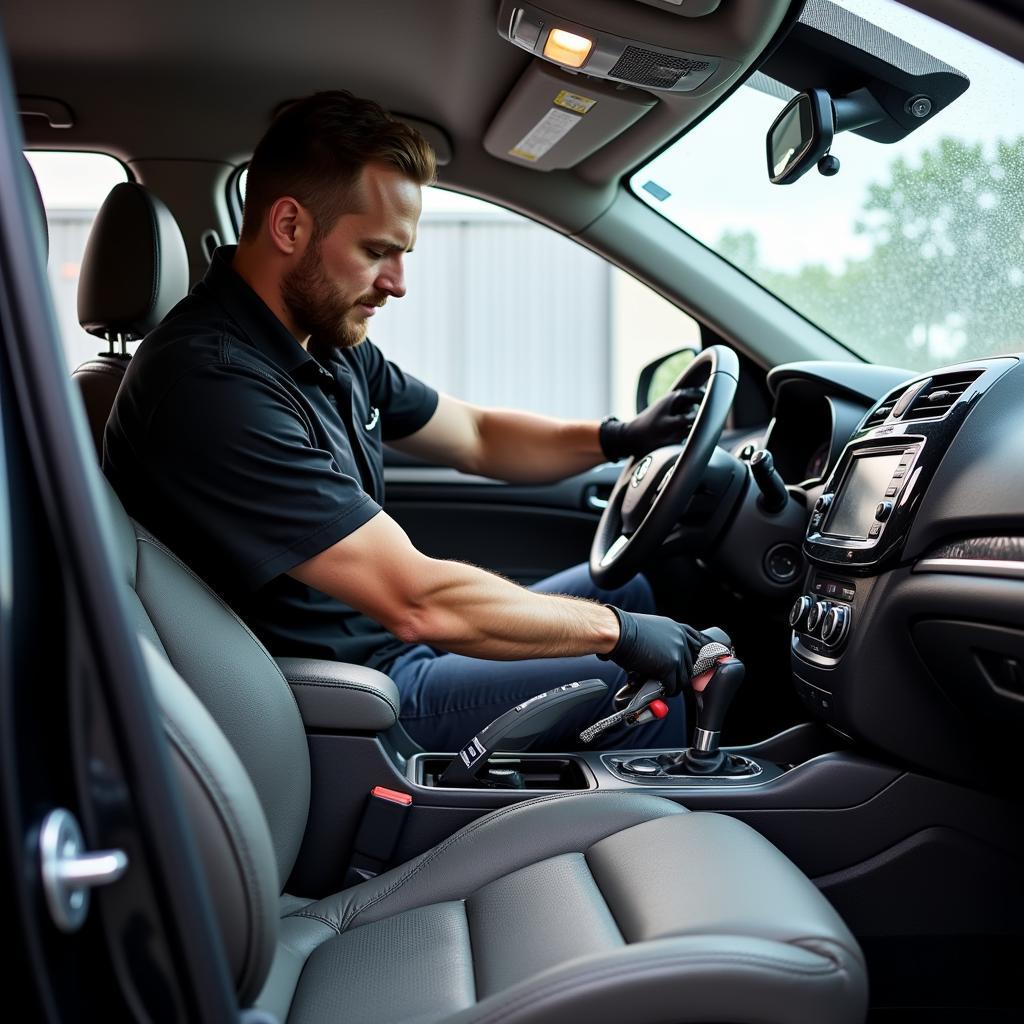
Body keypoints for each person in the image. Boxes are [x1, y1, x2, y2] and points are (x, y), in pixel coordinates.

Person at [104, 90, 718, 752]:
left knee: (630, 584)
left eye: (404, 254)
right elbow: (415, 599)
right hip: (351, 700)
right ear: (289, 227)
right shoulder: (213, 384)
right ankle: (658, 832)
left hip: (383, 653)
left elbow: (477, 436)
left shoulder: (326, 345)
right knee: (660, 668)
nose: (397, 282)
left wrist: (620, 437)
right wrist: (618, 634)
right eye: (377, 251)